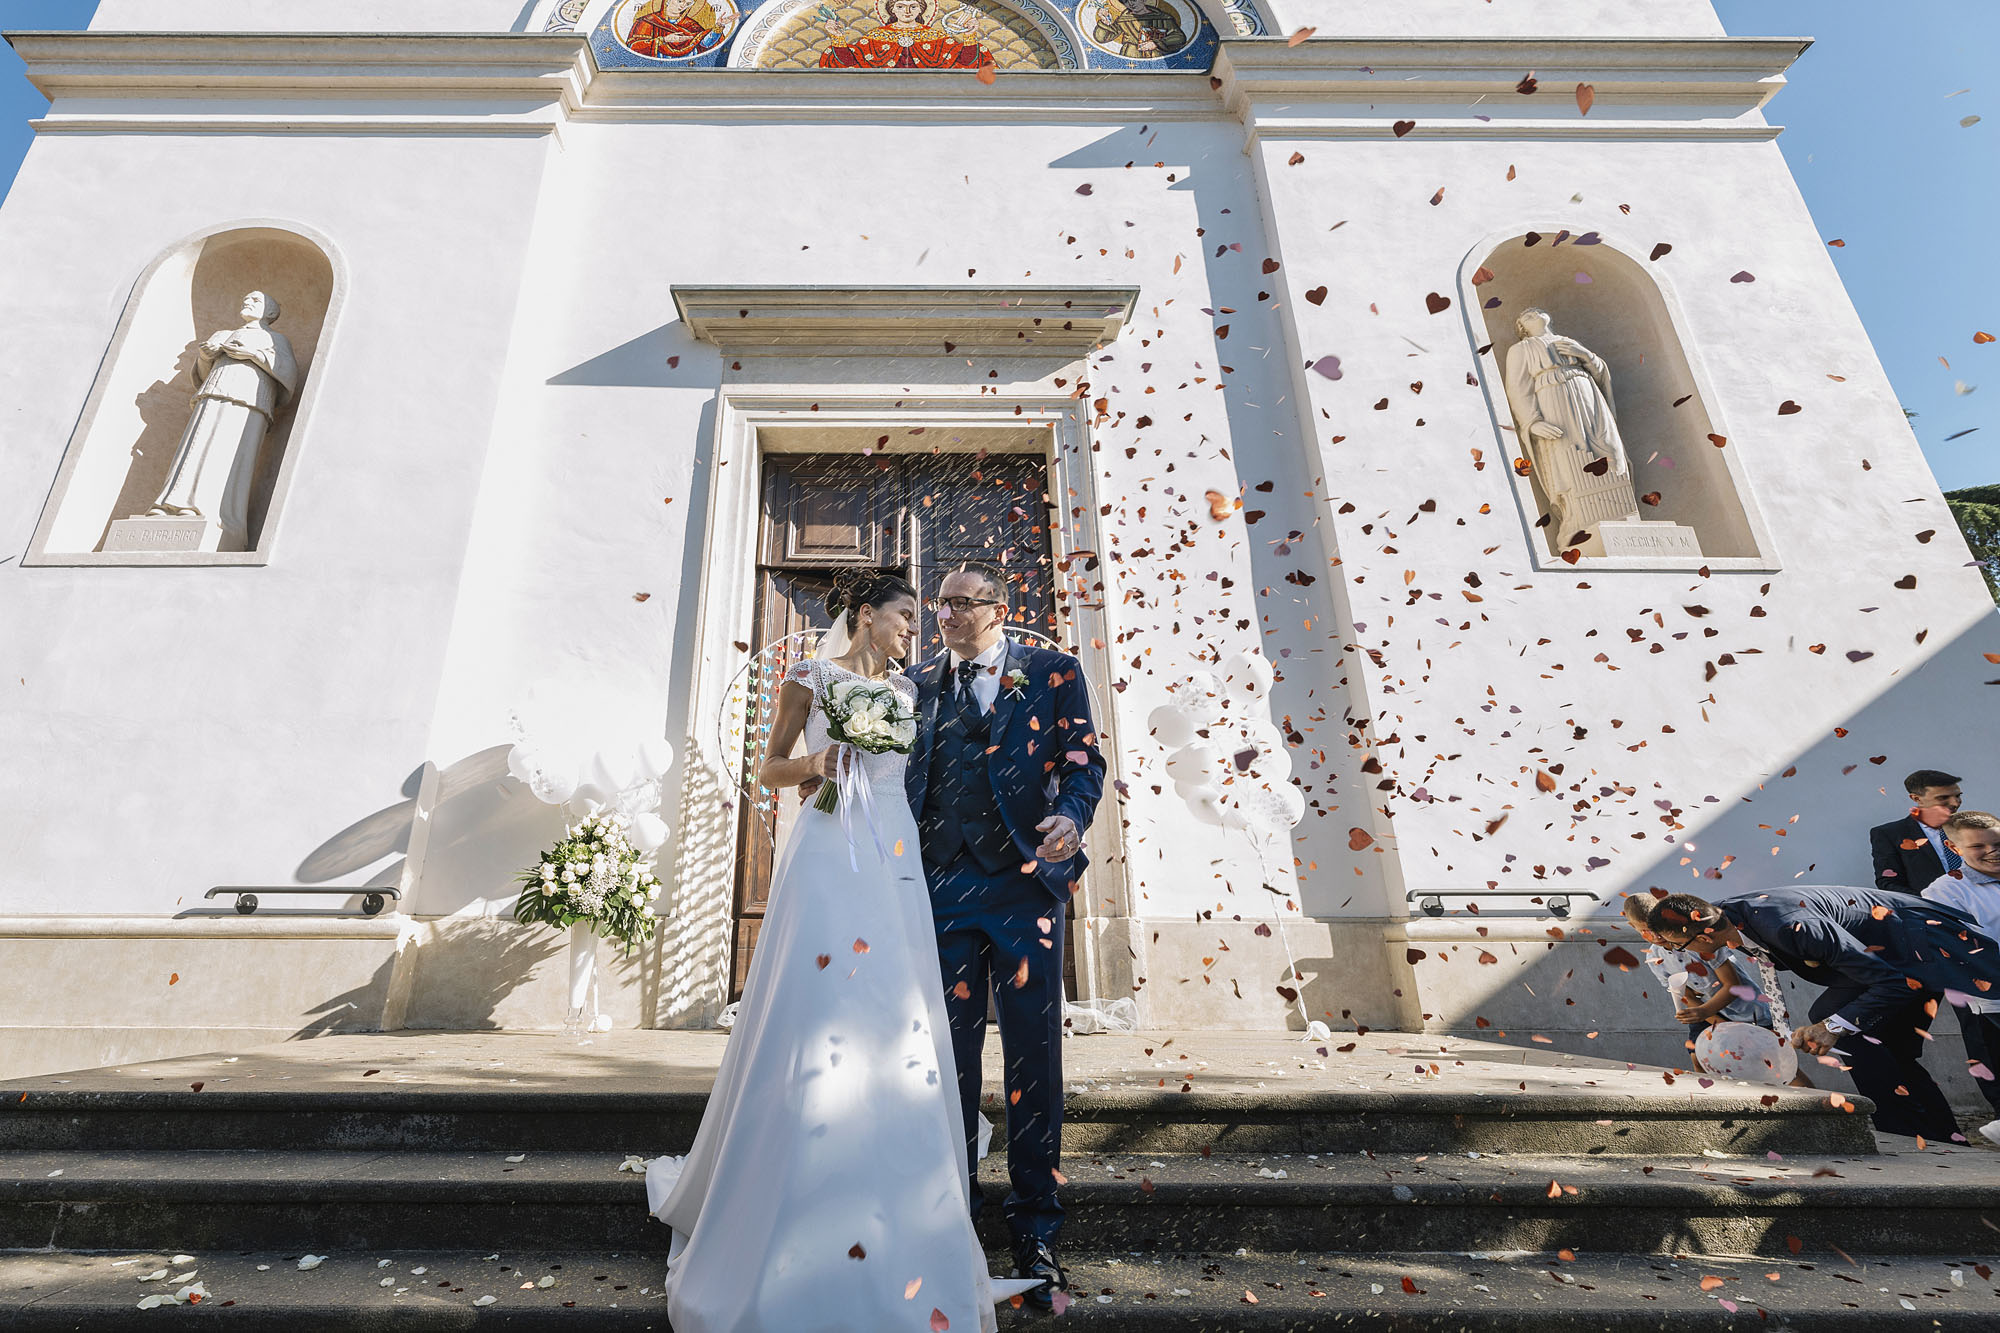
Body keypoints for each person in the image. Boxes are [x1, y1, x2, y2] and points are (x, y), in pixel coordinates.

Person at [644, 570, 1037, 1332]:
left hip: (891, 856)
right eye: (901, 617)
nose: (911, 632)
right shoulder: (810, 676)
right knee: (819, 1001)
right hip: (828, 849)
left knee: (894, 1009)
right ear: (865, 615)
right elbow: (770, 765)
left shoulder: (911, 692)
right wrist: (816, 766)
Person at [905, 560, 1105, 1309]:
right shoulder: (919, 684)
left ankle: (1035, 1229)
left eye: (962, 603)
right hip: (941, 892)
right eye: (941, 603)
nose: (946, 615)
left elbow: (1087, 762)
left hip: (1024, 890)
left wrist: (1072, 817)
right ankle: (953, 1222)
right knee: (944, 1064)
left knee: (1034, 1059)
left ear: (999, 607)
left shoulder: (1051, 671)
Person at [1649, 886, 2000, 1143]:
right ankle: (1939, 1136)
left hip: (1917, 948)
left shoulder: (1790, 927)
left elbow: (1891, 983)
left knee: (1843, 1027)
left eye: (1677, 946)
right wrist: (1783, 1035)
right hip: (1883, 959)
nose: (1677, 953)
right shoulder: (1728, 916)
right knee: (1880, 1045)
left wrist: (1832, 1028)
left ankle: (1908, 1134)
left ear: (1705, 931)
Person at [144, 290, 298, 551]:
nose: (246, 302)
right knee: (193, 450)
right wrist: (207, 355)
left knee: (225, 455)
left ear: (270, 313)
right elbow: (203, 374)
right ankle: (170, 505)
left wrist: (253, 355)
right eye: (245, 298)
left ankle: (206, 510)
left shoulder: (275, 339)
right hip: (212, 398)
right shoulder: (223, 334)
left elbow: (287, 373)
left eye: (255, 300)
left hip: (247, 404)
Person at [1926, 811, 2000, 1145]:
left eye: (1998, 843)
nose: (1993, 851)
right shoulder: (1946, 891)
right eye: (1979, 847)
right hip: (1989, 999)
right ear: (1954, 848)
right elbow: (1959, 947)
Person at [1870, 768, 1964, 895]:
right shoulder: (1890, 834)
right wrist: (1930, 902)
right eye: (1943, 798)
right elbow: (1889, 884)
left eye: (1957, 796)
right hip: (1932, 911)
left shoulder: (1975, 829)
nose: (1955, 803)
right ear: (1917, 799)